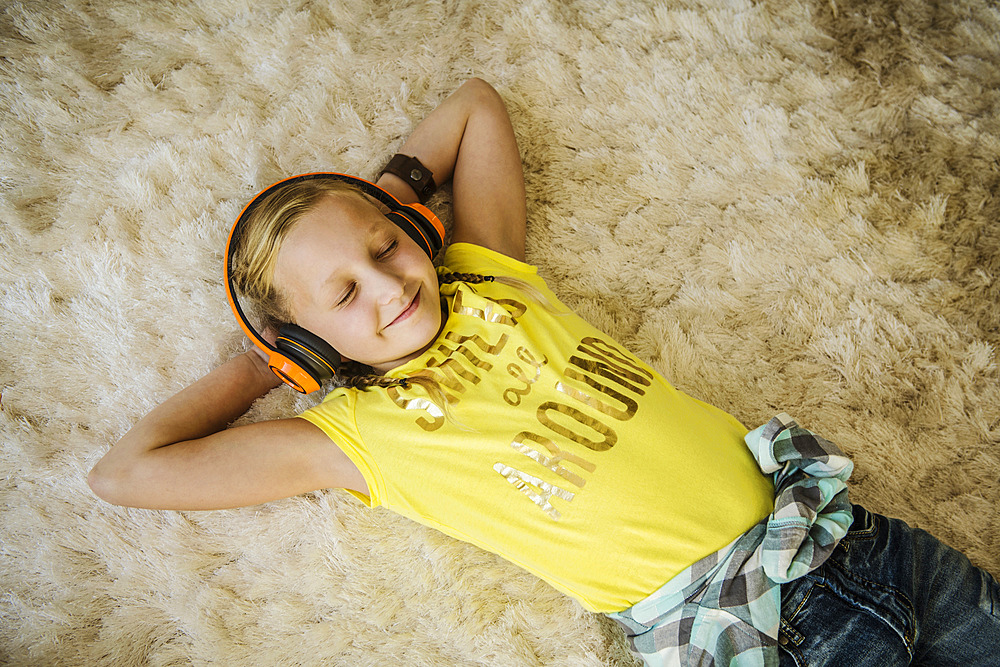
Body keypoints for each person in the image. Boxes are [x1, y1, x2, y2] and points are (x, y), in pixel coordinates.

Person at [88, 78, 1000, 665]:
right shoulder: (353, 438)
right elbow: (124, 472)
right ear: (311, 345)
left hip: (843, 533)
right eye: (343, 292)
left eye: (385, 247)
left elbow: (474, 106)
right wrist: (265, 366)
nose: (388, 281)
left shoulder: (486, 272)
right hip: (747, 626)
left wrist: (385, 199)